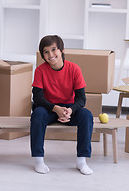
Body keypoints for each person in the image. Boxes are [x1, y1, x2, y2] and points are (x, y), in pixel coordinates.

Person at [30, 35, 94, 175]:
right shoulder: (40, 71)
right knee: (37, 114)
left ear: (62, 50)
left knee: (86, 115)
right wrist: (55, 108)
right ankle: (38, 160)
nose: (50, 55)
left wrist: (70, 110)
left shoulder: (74, 69)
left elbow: (81, 99)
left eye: (54, 50)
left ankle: (81, 161)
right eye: (46, 52)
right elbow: (38, 98)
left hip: (68, 108)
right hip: (48, 108)